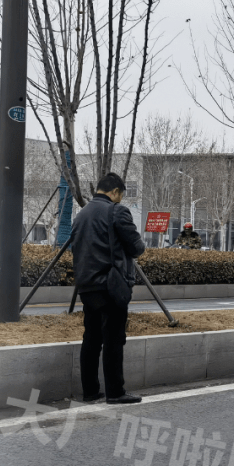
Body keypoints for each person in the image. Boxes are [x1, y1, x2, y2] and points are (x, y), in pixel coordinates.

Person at [70, 173, 146, 404]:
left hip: (86, 285)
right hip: (111, 284)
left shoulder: (81, 214)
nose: (120, 200)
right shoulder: (116, 211)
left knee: (91, 338)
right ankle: (115, 392)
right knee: (114, 338)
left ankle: (90, 391)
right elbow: (136, 247)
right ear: (114, 192)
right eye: (120, 196)